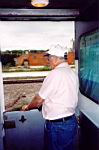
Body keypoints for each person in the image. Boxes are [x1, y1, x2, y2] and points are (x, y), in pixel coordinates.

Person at [22, 44, 79, 150]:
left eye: (49, 58)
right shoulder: (72, 73)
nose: (48, 61)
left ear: (55, 58)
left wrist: (28, 107)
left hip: (57, 126)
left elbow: (38, 100)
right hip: (70, 121)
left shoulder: (55, 74)